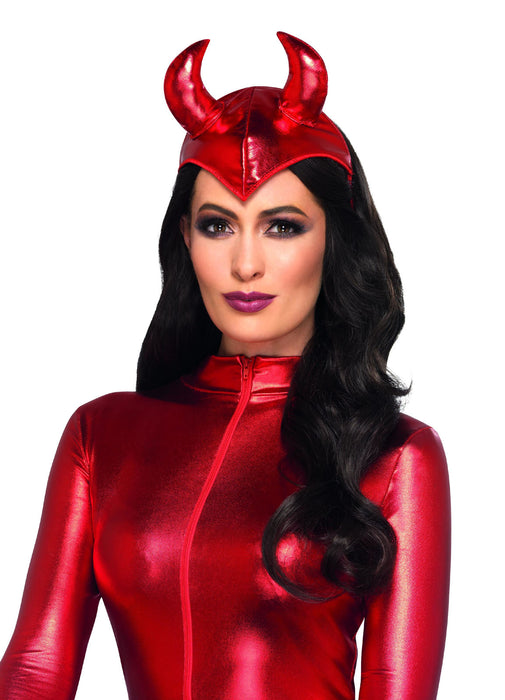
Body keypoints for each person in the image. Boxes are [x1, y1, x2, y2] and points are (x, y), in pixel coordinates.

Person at [0, 32, 451, 700]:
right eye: (218, 225)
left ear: (334, 239)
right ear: (185, 237)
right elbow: (36, 669)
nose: (245, 264)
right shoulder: (102, 435)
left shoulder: (395, 455)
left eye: (282, 226)